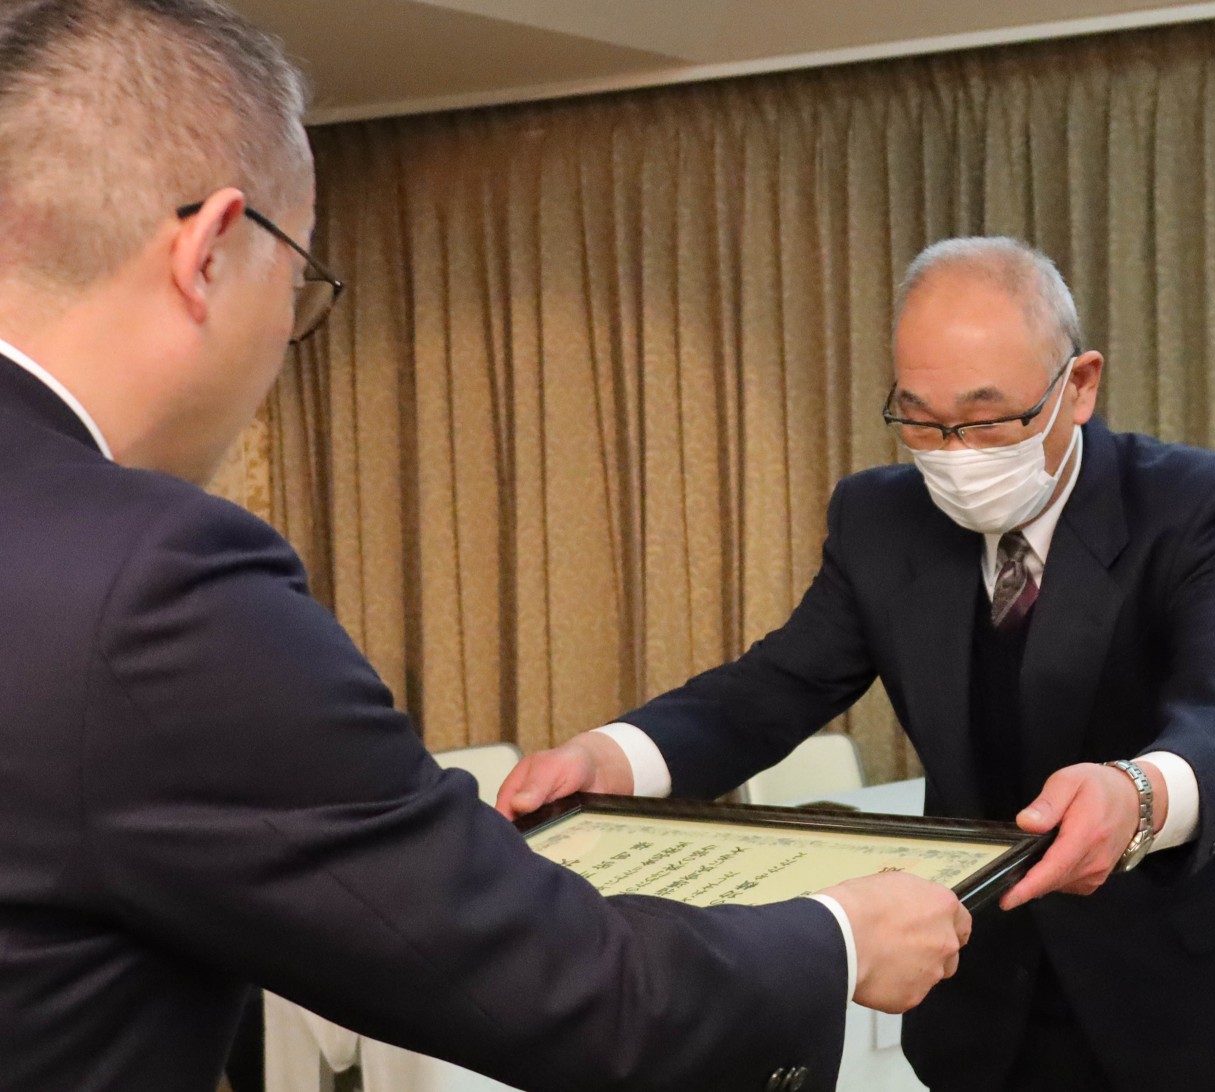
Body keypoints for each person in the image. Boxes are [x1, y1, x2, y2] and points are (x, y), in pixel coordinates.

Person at [0, 3, 973, 1090]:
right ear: (213, 250)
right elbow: (565, 986)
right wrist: (837, 941)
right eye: (298, 284)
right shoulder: (156, 582)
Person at [500, 236, 1215, 1091]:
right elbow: (773, 688)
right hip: (983, 987)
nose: (954, 454)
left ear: (1079, 385)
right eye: (919, 418)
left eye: (988, 419)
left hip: (1186, 984)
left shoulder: (1193, 500)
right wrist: (611, 757)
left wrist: (1137, 796)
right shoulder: (878, 518)